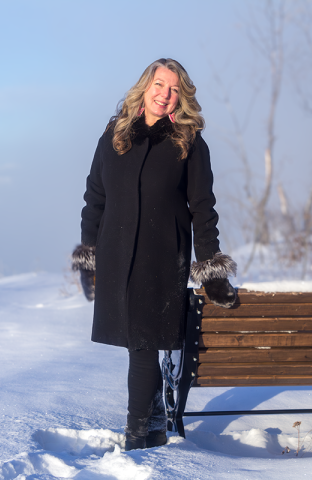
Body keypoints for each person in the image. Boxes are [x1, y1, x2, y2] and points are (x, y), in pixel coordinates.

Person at [71, 58, 237, 451]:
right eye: (160, 85)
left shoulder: (188, 141)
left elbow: (202, 208)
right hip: (116, 256)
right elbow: (95, 198)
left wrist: (211, 268)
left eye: (174, 88)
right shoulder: (115, 134)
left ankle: (135, 439)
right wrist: (90, 255)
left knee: (144, 344)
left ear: (183, 96)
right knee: (136, 344)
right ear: (145, 87)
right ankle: (156, 429)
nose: (165, 94)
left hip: (163, 259)